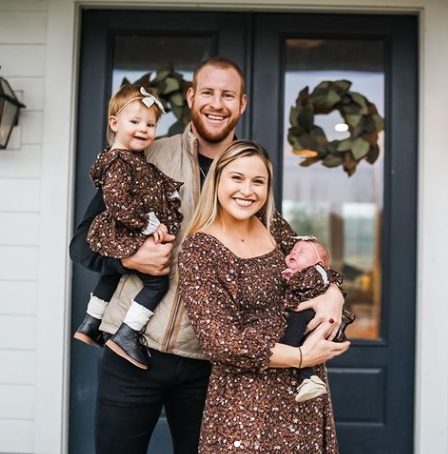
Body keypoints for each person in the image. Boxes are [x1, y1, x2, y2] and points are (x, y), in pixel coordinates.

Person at [69, 57, 345, 454]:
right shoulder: (147, 154)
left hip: (207, 363)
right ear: (191, 97)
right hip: (132, 348)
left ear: (242, 104)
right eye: (209, 93)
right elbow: (83, 243)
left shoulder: (246, 173)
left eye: (228, 95)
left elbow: (295, 252)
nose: (217, 104)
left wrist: (332, 288)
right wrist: (130, 260)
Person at [178, 140, 350, 453]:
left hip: (303, 397)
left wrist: (333, 293)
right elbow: (222, 342)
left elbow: (314, 268)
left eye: (258, 181)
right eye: (237, 178)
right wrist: (301, 358)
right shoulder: (199, 250)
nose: (247, 190)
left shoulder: (272, 227)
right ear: (217, 180)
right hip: (246, 405)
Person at [73, 85, 183, 370]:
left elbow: (150, 181)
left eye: (150, 124)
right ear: (114, 123)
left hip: (118, 232)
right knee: (157, 281)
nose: (143, 129)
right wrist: (149, 223)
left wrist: (169, 192)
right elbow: (119, 202)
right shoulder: (121, 162)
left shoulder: (130, 159)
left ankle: (90, 323)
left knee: (112, 276)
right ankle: (128, 333)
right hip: (123, 231)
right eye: (134, 122)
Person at [280, 237, 356, 402]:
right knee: (304, 347)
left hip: (312, 315)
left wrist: (293, 277)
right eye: (293, 251)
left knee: (295, 328)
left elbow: (321, 283)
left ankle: (286, 348)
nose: (295, 252)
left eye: (302, 252)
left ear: (319, 263)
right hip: (308, 315)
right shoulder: (301, 273)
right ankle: (308, 379)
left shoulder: (318, 271)